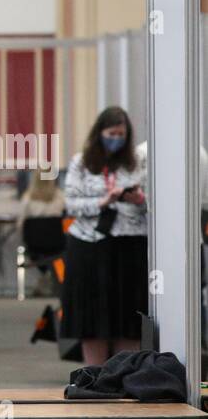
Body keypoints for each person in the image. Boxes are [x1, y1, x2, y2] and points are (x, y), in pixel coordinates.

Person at [60, 107, 147, 365]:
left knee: (128, 318)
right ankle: (95, 378)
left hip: (130, 245)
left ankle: (124, 375)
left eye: (121, 134)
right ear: (100, 133)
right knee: (92, 318)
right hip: (90, 245)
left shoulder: (138, 162)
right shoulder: (81, 162)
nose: (116, 138)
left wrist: (140, 199)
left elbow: (157, 205)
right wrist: (102, 201)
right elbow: (71, 205)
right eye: (111, 133)